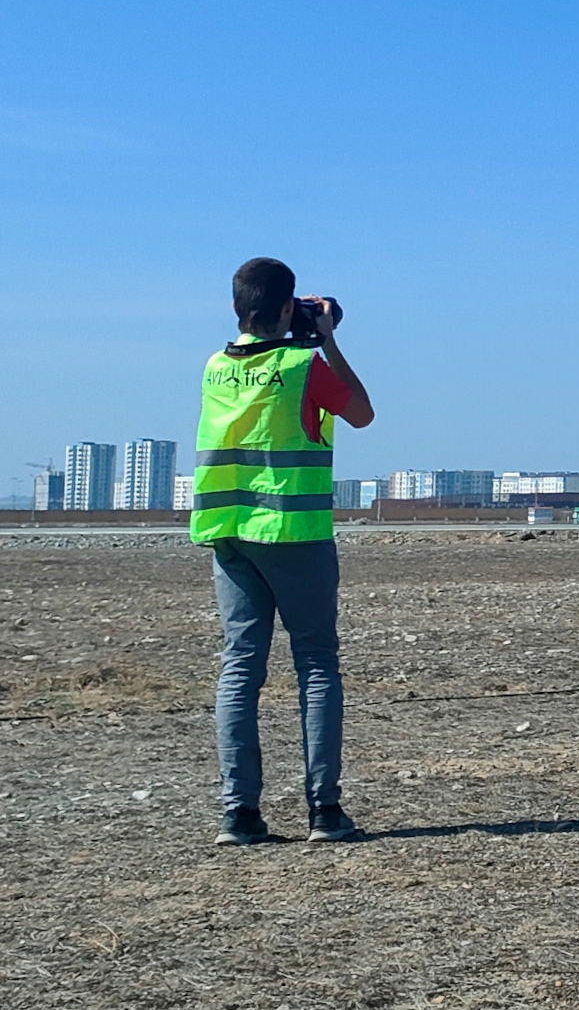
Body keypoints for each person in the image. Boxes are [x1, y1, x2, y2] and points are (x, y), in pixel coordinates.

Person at [192, 258, 374, 845]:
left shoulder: (216, 367)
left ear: (236, 306)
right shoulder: (303, 366)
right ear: (288, 308)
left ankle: (238, 815)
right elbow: (362, 413)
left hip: (228, 533)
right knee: (316, 664)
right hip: (295, 534)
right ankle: (325, 810)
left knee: (240, 666)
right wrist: (328, 340)